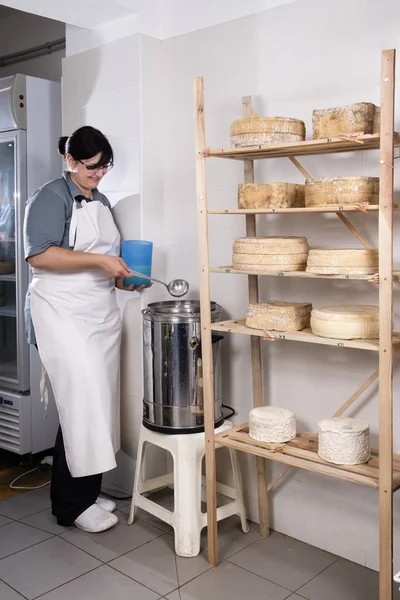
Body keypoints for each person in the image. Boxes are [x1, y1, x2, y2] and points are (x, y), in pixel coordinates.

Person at [23, 126, 145, 533]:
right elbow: (39, 256)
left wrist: (123, 277)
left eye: (105, 166)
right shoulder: (50, 197)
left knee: (94, 404)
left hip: (98, 313)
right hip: (61, 312)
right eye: (92, 167)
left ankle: (84, 493)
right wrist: (100, 264)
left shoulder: (101, 199)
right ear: (70, 161)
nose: (100, 174)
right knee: (82, 402)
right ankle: (70, 507)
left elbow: (104, 260)